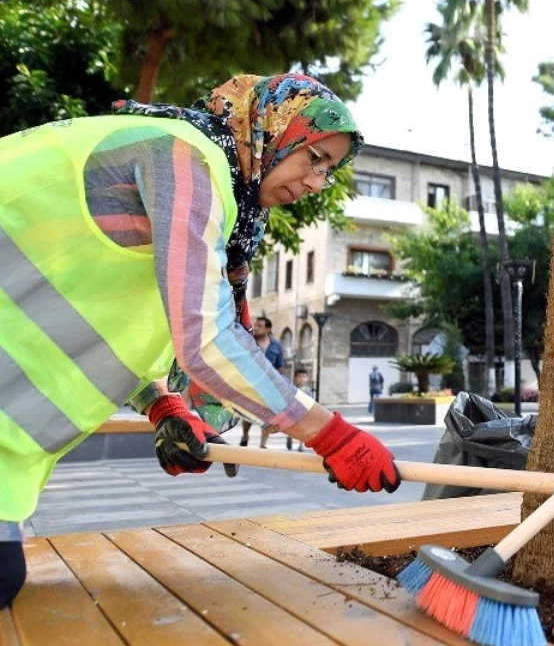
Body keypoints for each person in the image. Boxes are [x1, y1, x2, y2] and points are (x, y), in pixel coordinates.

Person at [0, 74, 401, 610]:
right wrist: (331, 435)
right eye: (315, 157)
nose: (315, 182)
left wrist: (161, 405)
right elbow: (207, 336)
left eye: (329, 171)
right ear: (273, 128)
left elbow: (108, 312)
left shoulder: (204, 185)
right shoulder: (184, 161)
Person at [239, 316, 285, 449]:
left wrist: (281, 385)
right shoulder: (248, 341)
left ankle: (263, 444)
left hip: (270, 386)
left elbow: (280, 365)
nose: (256, 327)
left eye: (260, 325)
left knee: (268, 415)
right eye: (256, 325)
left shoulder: (276, 345)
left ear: (268, 329)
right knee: (249, 412)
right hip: (251, 383)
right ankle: (245, 435)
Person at [288, 369, 312, 452]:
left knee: (302, 429)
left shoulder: (308, 390)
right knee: (291, 428)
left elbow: (311, 401)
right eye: (299, 377)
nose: (301, 379)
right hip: (292, 412)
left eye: (304, 377)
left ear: (307, 378)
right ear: (295, 378)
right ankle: (289, 438)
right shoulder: (292, 388)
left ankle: (301, 445)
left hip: (303, 412)